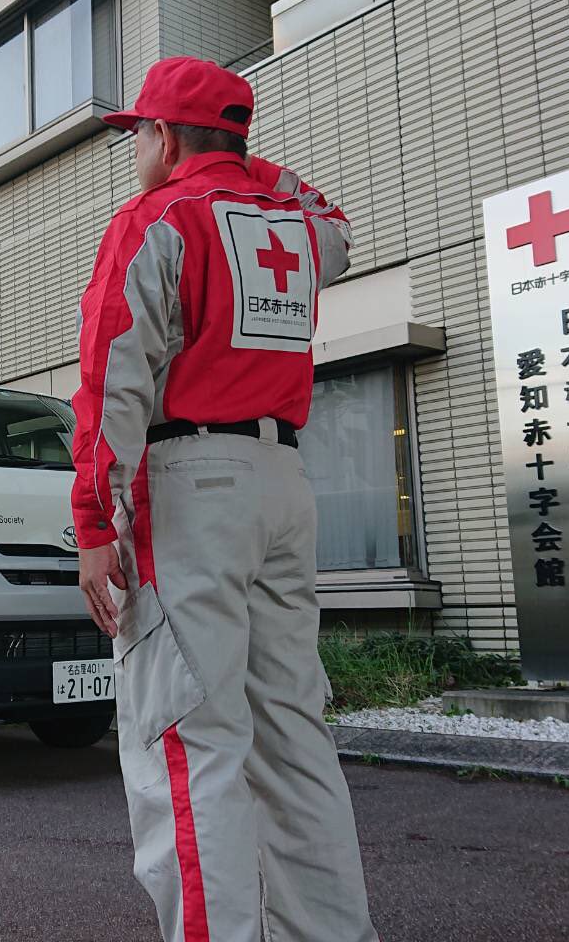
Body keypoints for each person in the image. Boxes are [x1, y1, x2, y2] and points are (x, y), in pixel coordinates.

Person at [69, 57, 376, 942]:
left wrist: (95, 523)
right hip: (283, 483)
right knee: (292, 738)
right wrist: (246, 165)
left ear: (164, 138)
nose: (135, 152)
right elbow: (339, 224)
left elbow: (110, 379)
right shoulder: (294, 227)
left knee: (187, 739)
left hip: (191, 489)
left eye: (140, 136)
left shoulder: (155, 219)